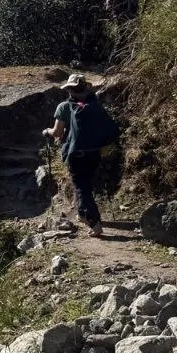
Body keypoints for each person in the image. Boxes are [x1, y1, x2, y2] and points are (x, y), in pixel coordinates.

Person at [42, 74, 119, 237]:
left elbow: (57, 132)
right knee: (86, 185)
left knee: (81, 187)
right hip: (95, 152)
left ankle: (94, 222)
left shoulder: (64, 107)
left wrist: (46, 131)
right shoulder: (94, 104)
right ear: (86, 87)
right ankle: (83, 214)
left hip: (76, 153)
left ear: (69, 89)